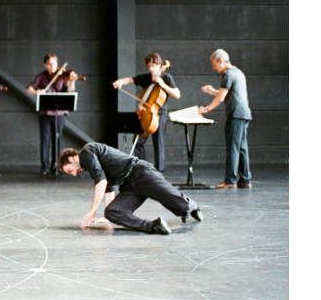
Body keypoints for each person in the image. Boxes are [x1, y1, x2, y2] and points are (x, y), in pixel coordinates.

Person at [58, 143, 201, 235]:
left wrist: (93, 210)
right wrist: (106, 216)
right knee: (112, 212)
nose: (74, 174)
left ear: (72, 158)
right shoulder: (92, 163)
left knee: (173, 199)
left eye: (70, 170)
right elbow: (109, 187)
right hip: (130, 186)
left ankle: (191, 206)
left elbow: (101, 181)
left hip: (140, 172)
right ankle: (154, 226)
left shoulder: (86, 152)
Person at [111, 52, 181, 173]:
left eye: (153, 66)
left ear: (159, 65)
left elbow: (177, 95)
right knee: (138, 141)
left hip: (160, 114)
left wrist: (162, 84)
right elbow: (130, 79)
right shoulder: (147, 78)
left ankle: (159, 172)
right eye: (149, 66)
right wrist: (121, 81)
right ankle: (143, 169)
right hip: (146, 113)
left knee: (158, 143)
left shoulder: (166, 77)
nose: (151, 69)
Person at [198, 48, 252, 189]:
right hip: (244, 114)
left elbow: (221, 98)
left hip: (235, 114)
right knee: (241, 147)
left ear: (221, 61)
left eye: (214, 64)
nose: (213, 68)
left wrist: (206, 109)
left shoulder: (228, 74)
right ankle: (245, 180)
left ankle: (230, 180)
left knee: (233, 147)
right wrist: (212, 91)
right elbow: (229, 93)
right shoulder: (238, 72)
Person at [26, 53, 79, 176]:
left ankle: (56, 166)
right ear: (45, 65)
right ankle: (44, 167)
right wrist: (37, 92)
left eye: (54, 63)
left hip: (59, 113)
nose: (53, 66)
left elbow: (70, 91)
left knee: (57, 139)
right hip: (45, 113)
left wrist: (72, 81)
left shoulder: (62, 76)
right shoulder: (42, 76)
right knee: (45, 140)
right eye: (49, 64)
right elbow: (29, 89)